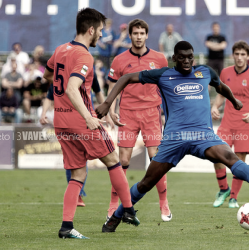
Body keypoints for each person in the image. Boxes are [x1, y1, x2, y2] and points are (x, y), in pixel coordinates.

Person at [96, 41, 249, 232]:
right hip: (174, 139)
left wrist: (234, 100)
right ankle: (116, 216)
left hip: (203, 135)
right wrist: (107, 103)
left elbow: (220, 87)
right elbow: (127, 78)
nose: (187, 61)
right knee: (147, 182)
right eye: (182, 57)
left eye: (190, 56)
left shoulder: (204, 72)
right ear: (174, 58)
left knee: (230, 157)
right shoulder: (164, 74)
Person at [42, 8, 138, 240]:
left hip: (61, 121)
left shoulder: (60, 50)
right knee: (114, 160)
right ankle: (127, 209)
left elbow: (48, 76)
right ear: (91, 30)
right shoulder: (84, 56)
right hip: (80, 122)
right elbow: (71, 88)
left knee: (77, 174)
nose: (101, 36)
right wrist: (88, 117)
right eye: (101, 32)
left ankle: (66, 227)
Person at [106, 19, 171, 222]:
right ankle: (114, 204)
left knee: (156, 159)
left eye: (142, 33)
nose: (139, 36)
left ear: (147, 35)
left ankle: (164, 202)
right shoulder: (119, 60)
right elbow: (113, 87)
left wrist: (169, 112)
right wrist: (111, 109)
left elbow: (166, 87)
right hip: (127, 113)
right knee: (123, 160)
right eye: (135, 33)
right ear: (131, 35)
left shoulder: (160, 59)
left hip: (152, 113)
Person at [40, 70, 114, 207]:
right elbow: (50, 96)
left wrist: (107, 113)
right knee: (75, 159)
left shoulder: (87, 70)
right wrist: (44, 112)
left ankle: (78, 195)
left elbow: (98, 91)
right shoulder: (62, 75)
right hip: (72, 121)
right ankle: (78, 194)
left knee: (81, 158)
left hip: (86, 120)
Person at [210, 40, 249, 208]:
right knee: (216, 155)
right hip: (226, 123)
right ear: (232, 55)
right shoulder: (225, 73)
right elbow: (221, 94)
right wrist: (215, 106)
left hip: (245, 123)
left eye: (243, 54)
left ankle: (233, 198)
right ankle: (223, 189)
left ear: (248, 56)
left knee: (239, 162)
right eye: (237, 54)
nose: (240, 57)